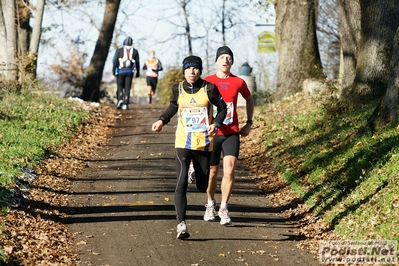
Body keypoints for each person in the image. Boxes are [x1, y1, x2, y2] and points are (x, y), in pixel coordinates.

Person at [151, 55, 227, 239]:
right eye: (188, 68)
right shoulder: (177, 88)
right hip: (183, 141)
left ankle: (196, 171)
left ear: (199, 70)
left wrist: (216, 123)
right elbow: (173, 106)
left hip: (204, 142)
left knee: (202, 186)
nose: (192, 72)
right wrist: (162, 120)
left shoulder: (209, 88)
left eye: (195, 68)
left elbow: (223, 109)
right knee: (181, 181)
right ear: (184, 70)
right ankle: (181, 224)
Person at [203, 46, 254, 225]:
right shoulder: (206, 82)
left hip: (231, 133)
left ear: (232, 61)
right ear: (216, 61)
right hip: (212, 134)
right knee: (212, 173)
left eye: (228, 57)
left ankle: (223, 206)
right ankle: (210, 204)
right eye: (222, 57)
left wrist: (249, 123)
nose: (225, 60)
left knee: (230, 170)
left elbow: (249, 99)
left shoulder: (238, 82)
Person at [112, 37, 140, 110]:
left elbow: (115, 61)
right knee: (127, 87)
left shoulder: (119, 50)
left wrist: (113, 70)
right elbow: (137, 63)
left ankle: (120, 99)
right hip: (130, 72)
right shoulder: (135, 51)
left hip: (121, 72)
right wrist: (137, 73)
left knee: (120, 86)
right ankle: (126, 103)